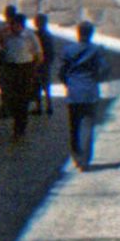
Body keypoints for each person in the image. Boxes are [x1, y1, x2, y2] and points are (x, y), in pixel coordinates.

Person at [58, 21, 109, 171]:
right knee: (87, 126)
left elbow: (61, 71)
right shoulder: (96, 50)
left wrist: (68, 83)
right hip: (89, 91)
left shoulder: (68, 50)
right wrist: (96, 79)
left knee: (74, 126)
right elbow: (104, 69)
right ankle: (85, 160)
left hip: (74, 91)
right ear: (91, 34)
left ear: (78, 33)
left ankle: (76, 157)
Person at [0, 12, 43, 140]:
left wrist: (33, 70)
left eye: (15, 25)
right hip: (10, 68)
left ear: (21, 25)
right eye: (11, 25)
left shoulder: (30, 36)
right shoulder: (7, 36)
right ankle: (14, 117)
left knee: (23, 99)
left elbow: (38, 54)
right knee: (11, 97)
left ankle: (20, 128)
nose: (12, 27)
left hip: (25, 68)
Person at [32, 14, 57, 115]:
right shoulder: (48, 35)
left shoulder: (36, 35)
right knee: (46, 85)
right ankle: (49, 105)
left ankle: (39, 107)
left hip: (38, 63)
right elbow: (51, 51)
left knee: (36, 85)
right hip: (46, 63)